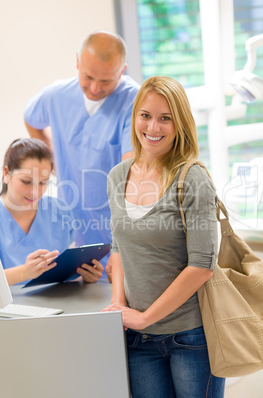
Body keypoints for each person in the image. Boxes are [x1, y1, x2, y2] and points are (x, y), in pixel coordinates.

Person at [104, 76, 226, 397]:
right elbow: (118, 244)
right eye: (145, 115)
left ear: (180, 123)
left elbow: (202, 265)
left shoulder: (193, 178)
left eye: (165, 118)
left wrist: (145, 317)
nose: (153, 127)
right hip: (138, 339)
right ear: (134, 118)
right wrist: (119, 303)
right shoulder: (118, 176)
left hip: (189, 337)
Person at [24, 31, 140, 282]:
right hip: (77, 223)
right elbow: (31, 117)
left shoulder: (135, 101)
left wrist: (122, 251)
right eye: (87, 77)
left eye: (107, 81)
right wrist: (52, 160)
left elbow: (130, 177)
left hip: (123, 228)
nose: (95, 88)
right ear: (77, 62)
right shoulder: (56, 95)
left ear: (122, 71)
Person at [0, 138, 103, 285]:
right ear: (6, 173)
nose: (35, 192)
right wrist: (25, 273)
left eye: (43, 183)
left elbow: (61, 273)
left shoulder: (60, 211)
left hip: (58, 304)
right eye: (26, 181)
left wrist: (84, 275)